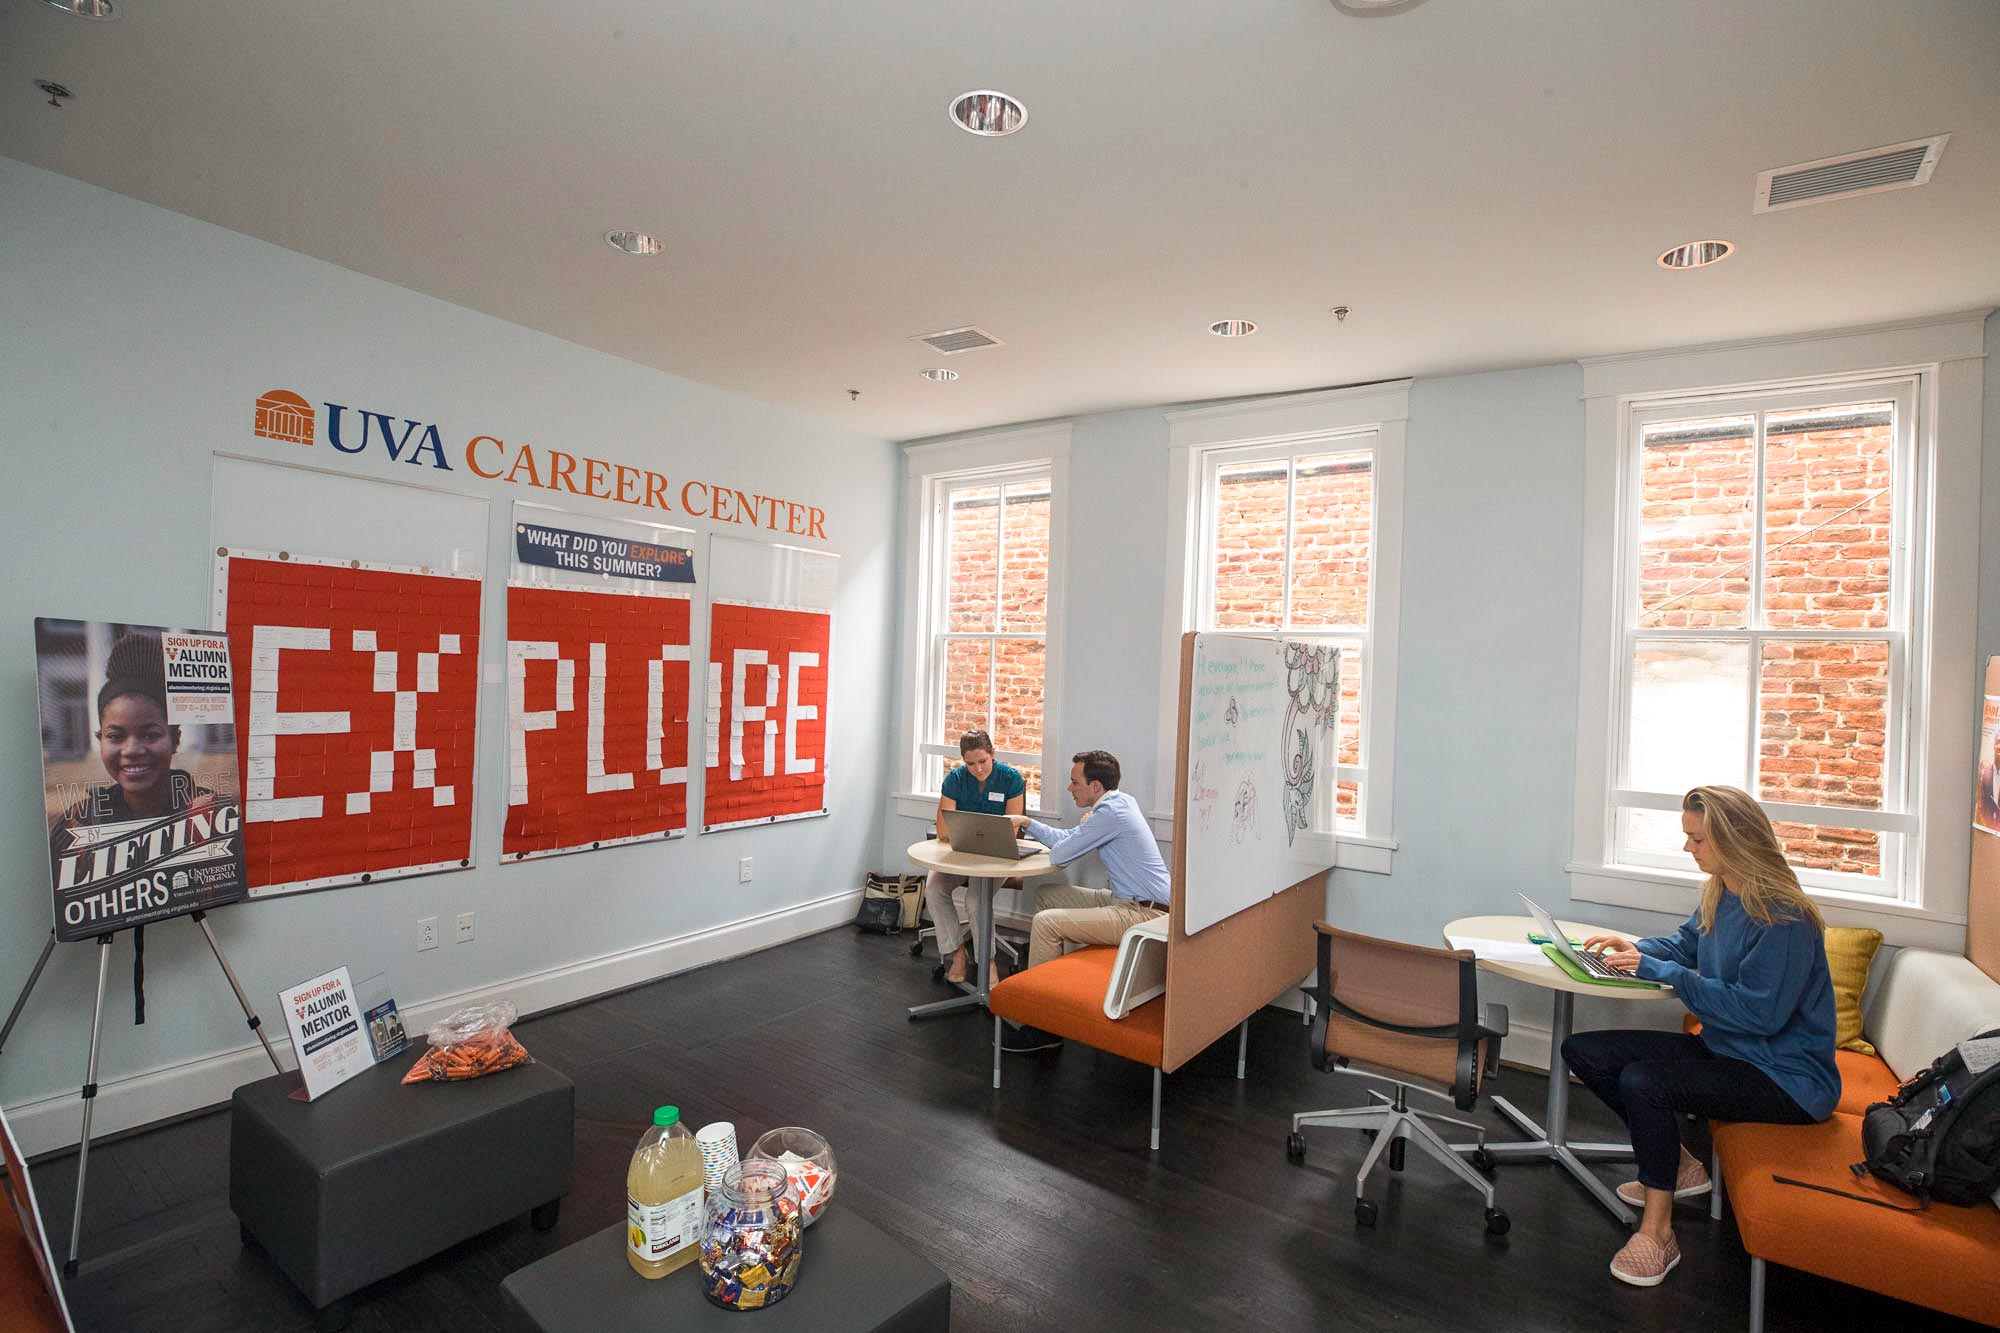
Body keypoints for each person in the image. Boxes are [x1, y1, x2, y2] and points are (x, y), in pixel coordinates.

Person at [1561, 785, 1837, 1289]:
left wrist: (1659, 968)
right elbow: (1687, 943)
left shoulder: (1785, 917)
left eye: (1698, 839)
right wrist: (1639, 947)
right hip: (1729, 1050)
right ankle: (1680, 1166)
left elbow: (1759, 1016)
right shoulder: (1724, 889)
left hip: (1786, 1077)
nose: (1689, 848)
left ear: (1735, 841)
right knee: (1586, 1051)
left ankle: (1659, 1231)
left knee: (1646, 1081)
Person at [999, 749, 1171, 1053]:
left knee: (1046, 922)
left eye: (1074, 782)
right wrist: (1027, 822)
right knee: (1047, 895)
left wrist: (1083, 828)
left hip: (1143, 914)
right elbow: (1067, 839)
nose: (1070, 788)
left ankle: (1042, 1026)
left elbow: (1061, 855)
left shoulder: (1112, 814)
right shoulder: (1119, 802)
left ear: (1095, 787)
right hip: (1128, 901)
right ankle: (1055, 985)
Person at [48, 632, 218, 870]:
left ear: (175, 739)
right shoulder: (77, 823)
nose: (132, 750)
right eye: (116, 736)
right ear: (100, 740)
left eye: (150, 734)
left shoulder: (213, 816)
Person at [923, 729, 1026, 985]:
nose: (977, 769)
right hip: (960, 855)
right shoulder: (955, 779)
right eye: (970, 764)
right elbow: (944, 830)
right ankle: (958, 952)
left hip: (996, 858)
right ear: (963, 761)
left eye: (983, 761)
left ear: (993, 754)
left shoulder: (1011, 779)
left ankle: (987, 960)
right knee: (934, 889)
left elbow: (1012, 829)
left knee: (976, 899)